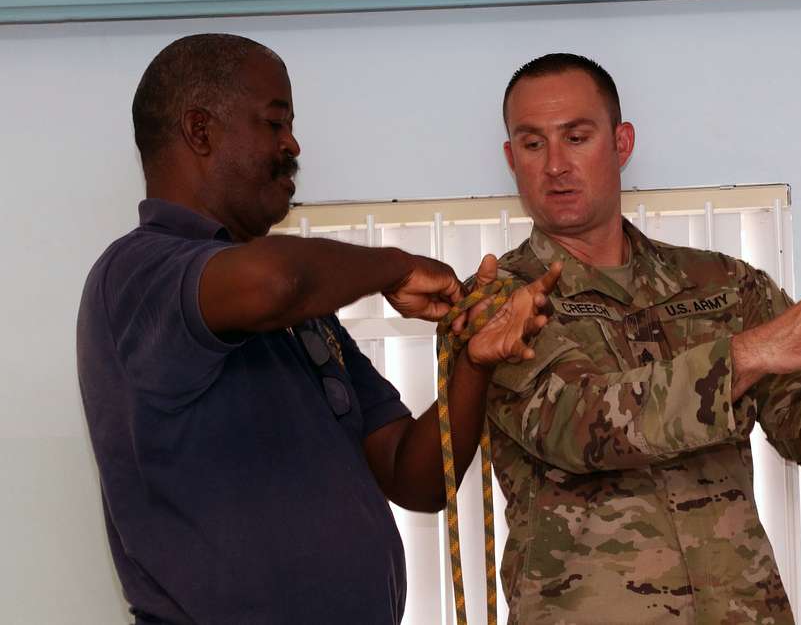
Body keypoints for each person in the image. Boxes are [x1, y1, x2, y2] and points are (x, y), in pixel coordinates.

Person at [75, 33, 559, 625]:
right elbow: (275, 283)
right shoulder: (138, 272)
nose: (293, 143)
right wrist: (393, 266)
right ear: (200, 131)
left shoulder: (298, 312)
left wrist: (475, 365)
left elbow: (417, 479)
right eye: (274, 122)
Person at [484, 53, 801, 624]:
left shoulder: (725, 285)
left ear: (620, 144)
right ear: (511, 158)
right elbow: (578, 424)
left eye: (576, 136)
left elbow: (800, 422)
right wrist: (754, 352)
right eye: (533, 144)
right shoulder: (497, 305)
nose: (556, 165)